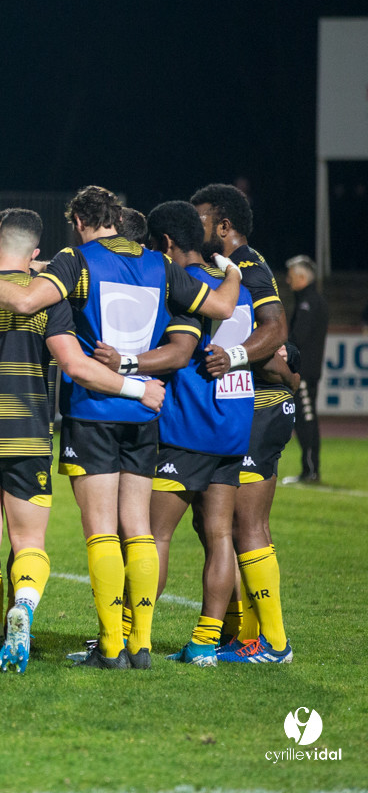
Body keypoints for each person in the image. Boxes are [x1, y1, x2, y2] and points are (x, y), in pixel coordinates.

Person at [0, 185, 242, 670]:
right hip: (147, 408)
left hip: (93, 410)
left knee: (102, 532)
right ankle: (140, 645)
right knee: (139, 529)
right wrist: (231, 267)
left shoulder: (77, 259)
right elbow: (224, 307)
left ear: (81, 222)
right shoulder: (158, 264)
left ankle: (108, 646)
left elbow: (25, 302)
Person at [93, 201, 257, 667]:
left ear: (164, 244)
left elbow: (179, 352)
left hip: (189, 427)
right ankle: (206, 642)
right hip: (232, 423)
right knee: (220, 534)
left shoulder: (185, 287)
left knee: (152, 535)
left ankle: (126, 636)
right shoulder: (232, 288)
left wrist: (124, 364)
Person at [188, 183, 292, 664]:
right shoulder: (220, 271)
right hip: (237, 406)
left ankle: (272, 642)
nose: (195, 225)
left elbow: (275, 329)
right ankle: (239, 636)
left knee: (246, 523)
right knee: (214, 523)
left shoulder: (250, 265)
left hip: (261, 405)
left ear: (223, 226)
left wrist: (231, 357)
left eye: (201, 218)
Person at [282, 255, 328, 484]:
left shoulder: (308, 302)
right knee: (303, 419)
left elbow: (298, 337)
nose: (288, 282)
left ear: (301, 277)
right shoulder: (309, 300)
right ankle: (308, 469)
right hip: (306, 371)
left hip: (305, 372)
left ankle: (311, 470)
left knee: (306, 419)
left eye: (291, 277)